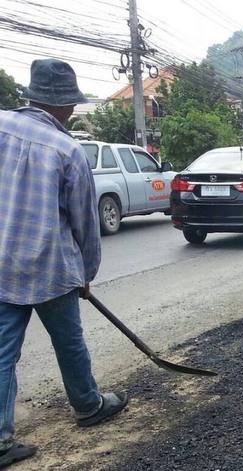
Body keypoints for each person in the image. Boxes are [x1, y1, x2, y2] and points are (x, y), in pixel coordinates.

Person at [0, 59, 128, 468]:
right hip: (49, 266)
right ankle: (88, 406)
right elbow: (85, 222)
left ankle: (0, 440)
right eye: (71, 105)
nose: (72, 111)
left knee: (2, 352)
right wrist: (86, 273)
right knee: (69, 343)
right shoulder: (67, 149)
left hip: (1, 263)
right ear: (62, 105)